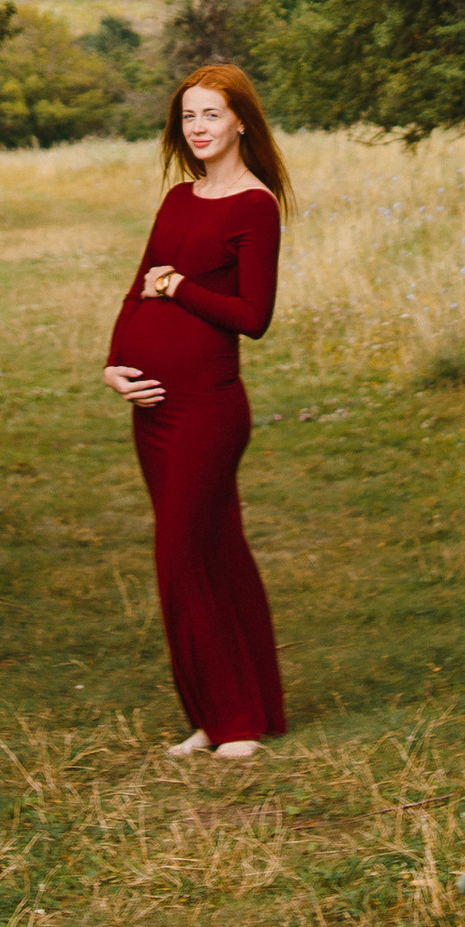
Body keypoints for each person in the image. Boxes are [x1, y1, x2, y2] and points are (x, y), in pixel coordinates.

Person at [103, 60, 291, 758]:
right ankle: (231, 712)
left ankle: (234, 722)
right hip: (151, 408)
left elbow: (253, 314)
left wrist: (178, 286)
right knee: (216, 552)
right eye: (188, 116)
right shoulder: (178, 198)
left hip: (209, 409)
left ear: (241, 119)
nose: (198, 127)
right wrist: (115, 364)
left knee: (180, 556)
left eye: (211, 114)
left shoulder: (254, 206)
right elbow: (135, 287)